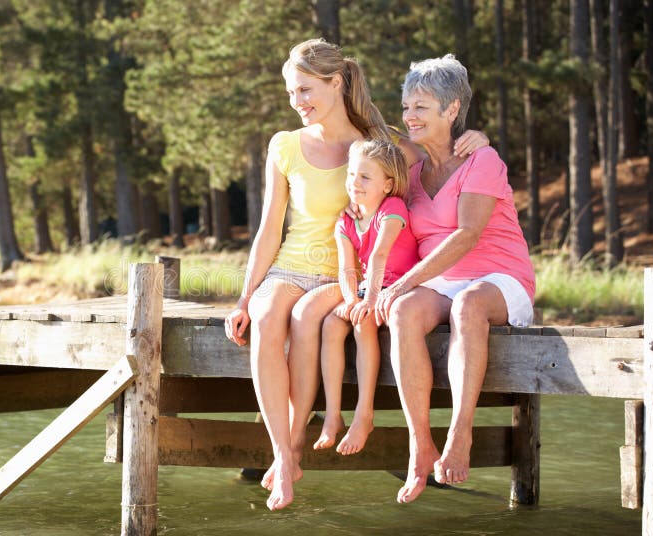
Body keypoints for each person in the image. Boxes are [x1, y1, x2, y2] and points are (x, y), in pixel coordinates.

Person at [224, 39, 487, 511]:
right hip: (289, 266)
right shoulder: (284, 145)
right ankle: (284, 456)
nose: (297, 102)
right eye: (290, 93)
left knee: (306, 318)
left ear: (335, 83)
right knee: (265, 320)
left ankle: (296, 448)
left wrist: (480, 140)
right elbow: (268, 228)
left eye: (305, 90)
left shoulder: (381, 145)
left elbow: (442, 154)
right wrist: (244, 297)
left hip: (343, 277)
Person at [372, 54, 536, 505]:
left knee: (468, 305)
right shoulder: (412, 168)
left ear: (451, 110)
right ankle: (419, 442)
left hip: (498, 278)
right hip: (442, 282)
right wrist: (393, 288)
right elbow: (362, 151)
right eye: (406, 106)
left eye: (421, 106)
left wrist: (404, 280)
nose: (409, 116)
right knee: (402, 312)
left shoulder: (483, 159)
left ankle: (460, 432)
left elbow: (467, 235)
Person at [312, 139, 418, 456]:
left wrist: (368, 301)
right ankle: (333, 415)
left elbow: (380, 256)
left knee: (363, 325)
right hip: (365, 290)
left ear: (388, 184)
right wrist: (351, 299)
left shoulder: (393, 210)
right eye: (351, 175)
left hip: (401, 288)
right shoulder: (345, 221)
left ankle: (364, 414)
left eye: (365, 177)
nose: (354, 183)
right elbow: (347, 268)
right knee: (332, 325)